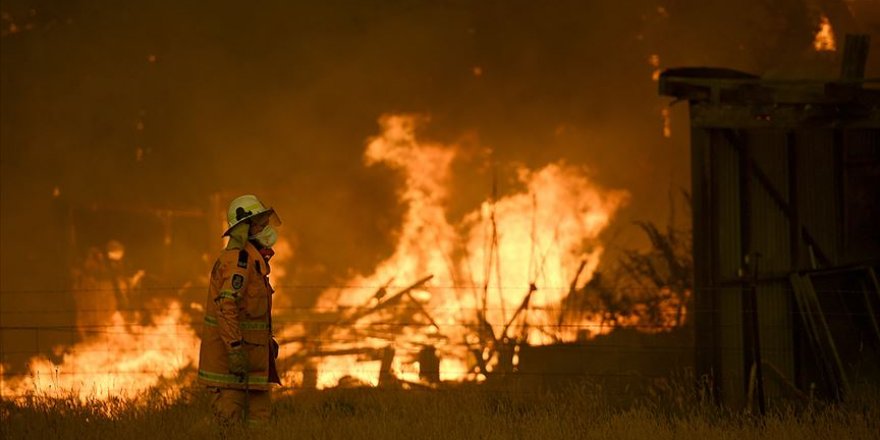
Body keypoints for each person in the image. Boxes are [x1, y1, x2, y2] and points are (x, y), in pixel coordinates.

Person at [198, 194, 282, 428]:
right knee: (228, 426)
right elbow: (226, 308)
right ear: (246, 228)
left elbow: (250, 314)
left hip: (253, 364)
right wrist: (235, 350)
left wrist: (267, 343)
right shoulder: (238, 262)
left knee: (259, 426)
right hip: (231, 369)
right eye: (260, 224)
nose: (266, 229)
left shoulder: (255, 262)